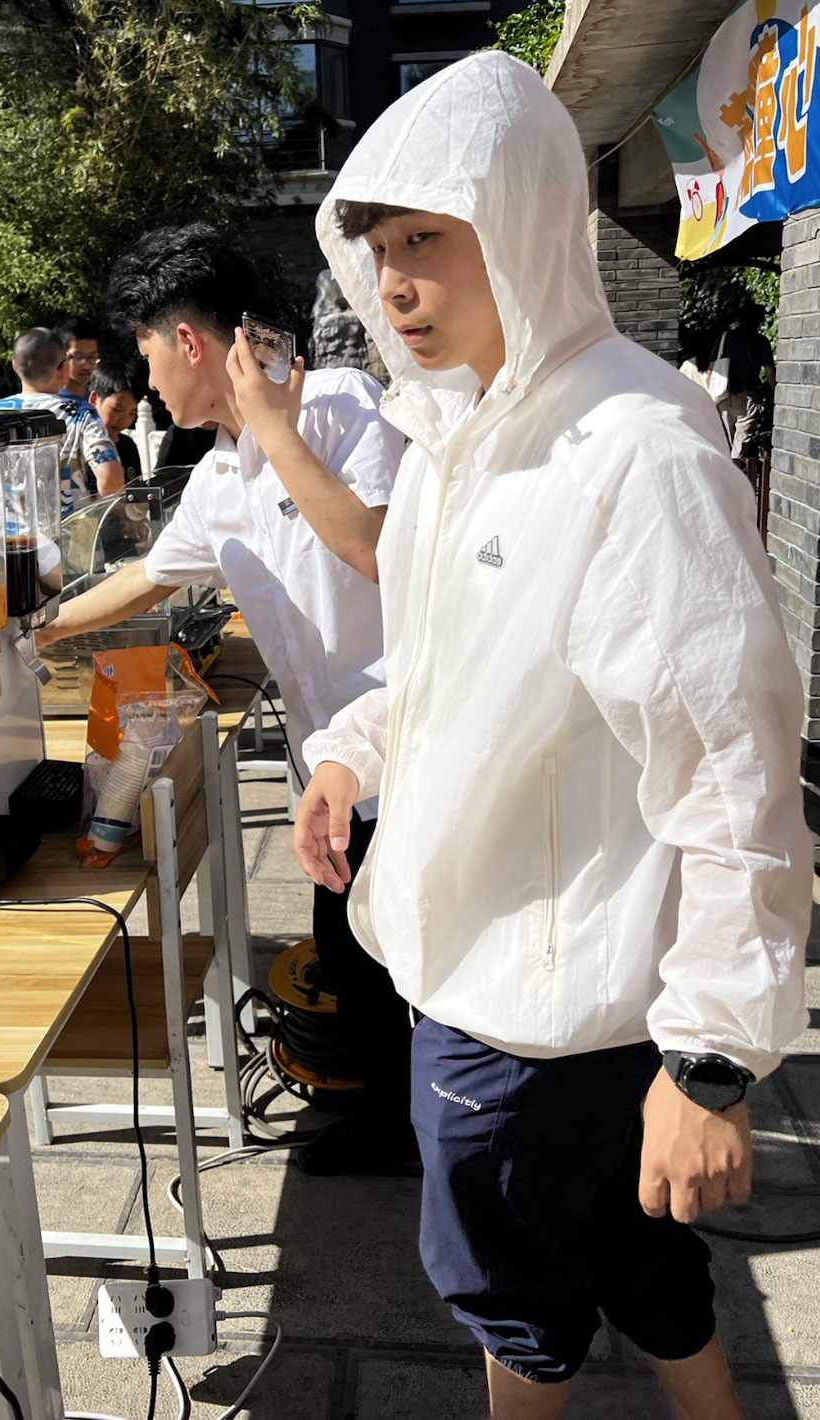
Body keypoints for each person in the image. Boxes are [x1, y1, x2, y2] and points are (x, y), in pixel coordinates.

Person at [291, 53, 811, 1418]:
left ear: (519, 221)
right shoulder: (457, 436)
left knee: (517, 1317)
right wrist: (351, 750)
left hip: (533, 1014)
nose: (394, 282)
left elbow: (737, 769)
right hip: (513, 983)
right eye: (377, 247)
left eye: (426, 239)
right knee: (644, 1269)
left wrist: (711, 1058)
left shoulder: (633, 447)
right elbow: (442, 672)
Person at [38, 222, 416, 1173]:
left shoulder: (339, 407)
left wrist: (276, 433)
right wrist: (31, 631)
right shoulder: (214, 477)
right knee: (351, 945)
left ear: (189, 342)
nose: (148, 380)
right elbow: (145, 580)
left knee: (416, 955)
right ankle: (395, 1125)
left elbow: (377, 549)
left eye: (148, 354)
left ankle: (442, 1137)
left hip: (414, 744)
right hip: (334, 765)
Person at [0, 327, 123, 517]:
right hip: (68, 530)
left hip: (2, 531)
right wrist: (116, 513)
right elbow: (109, 477)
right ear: (63, 369)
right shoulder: (81, 414)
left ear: (15, 366)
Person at [707, 302, 776, 470]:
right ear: (759, 320)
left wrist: (711, 393)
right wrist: (777, 394)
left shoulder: (725, 338)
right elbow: (770, 373)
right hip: (748, 397)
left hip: (723, 395)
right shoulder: (760, 341)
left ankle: (725, 474)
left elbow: (711, 370)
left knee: (725, 441)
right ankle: (735, 474)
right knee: (741, 442)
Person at [88, 363, 143, 483]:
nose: (123, 419)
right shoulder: (81, 445)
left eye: (132, 413)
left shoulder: (128, 446)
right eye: (117, 409)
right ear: (94, 399)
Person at [55, 316, 101, 401]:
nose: (86, 366)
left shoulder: (100, 399)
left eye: (92, 357)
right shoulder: (52, 402)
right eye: (78, 357)